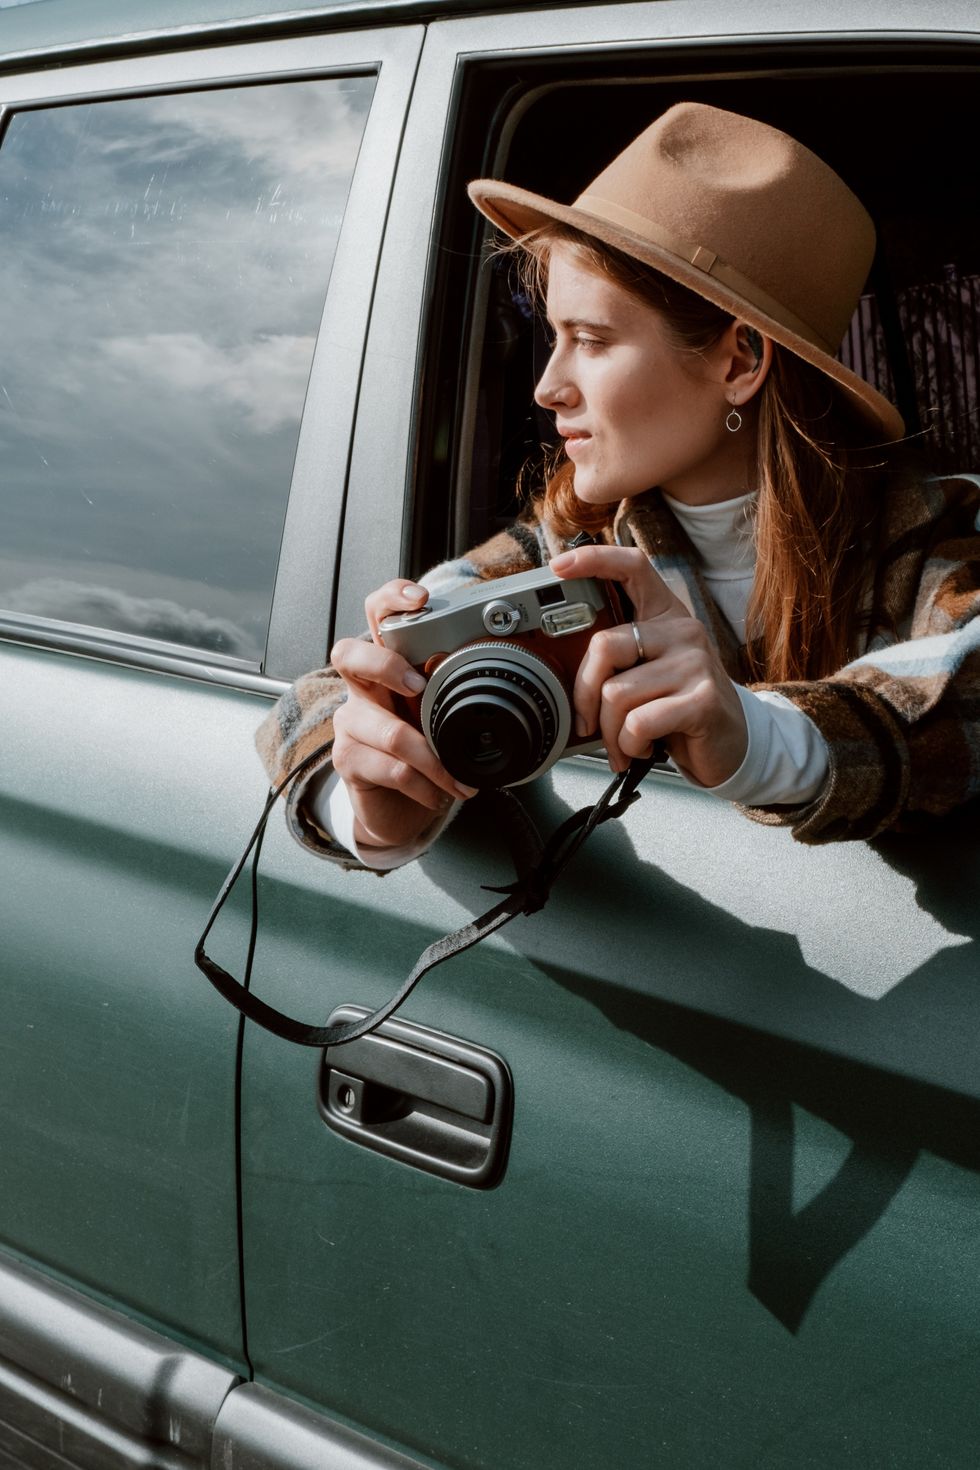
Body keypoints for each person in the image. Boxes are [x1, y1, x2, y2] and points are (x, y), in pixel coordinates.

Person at [256, 102, 980, 866]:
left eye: (592, 341)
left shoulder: (937, 530)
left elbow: (964, 696)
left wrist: (751, 737)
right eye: (552, 338)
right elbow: (313, 699)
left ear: (738, 363)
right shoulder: (576, 547)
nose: (547, 387)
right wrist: (370, 807)